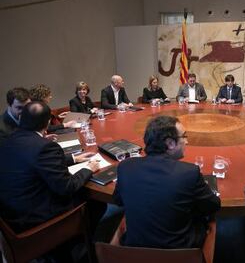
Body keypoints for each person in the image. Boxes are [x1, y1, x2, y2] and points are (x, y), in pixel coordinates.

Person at [113, 115, 220, 248]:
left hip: (134, 249)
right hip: (180, 254)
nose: (186, 141)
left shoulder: (125, 167)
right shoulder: (189, 172)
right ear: (170, 143)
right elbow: (212, 206)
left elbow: (118, 200)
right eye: (184, 136)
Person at [0, 101, 102, 232]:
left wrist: (74, 158)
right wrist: (89, 168)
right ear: (47, 122)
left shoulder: (10, 139)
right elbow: (67, 187)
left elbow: (33, 161)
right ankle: (82, 244)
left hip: (11, 213)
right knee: (96, 202)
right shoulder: (44, 147)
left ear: (21, 118)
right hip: (36, 219)